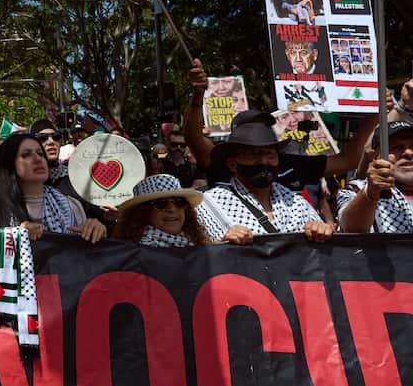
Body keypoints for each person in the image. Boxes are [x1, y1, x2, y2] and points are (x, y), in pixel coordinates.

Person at [184, 58, 377, 186]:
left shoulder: (289, 164)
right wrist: (198, 96)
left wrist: (374, 115)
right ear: (233, 160)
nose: (263, 160)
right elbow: (193, 138)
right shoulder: (221, 166)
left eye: (267, 151)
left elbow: (348, 160)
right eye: (252, 152)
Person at [197, 119, 333, 243]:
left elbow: (320, 245)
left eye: (269, 154)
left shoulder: (295, 202)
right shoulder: (211, 203)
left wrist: (320, 229)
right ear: (233, 164)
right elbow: (198, 252)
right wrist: (221, 244)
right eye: (253, 154)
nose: (263, 161)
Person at [0, 133, 107, 243]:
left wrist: (96, 233)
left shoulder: (72, 206)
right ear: (10, 165)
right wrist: (15, 237)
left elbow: (85, 257)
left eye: (40, 153)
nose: (38, 159)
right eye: (26, 155)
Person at [336, 120, 413, 233]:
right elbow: (350, 228)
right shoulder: (357, 189)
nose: (409, 153)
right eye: (397, 147)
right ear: (375, 156)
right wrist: (371, 193)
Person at [111, 175, 212, 247]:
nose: (172, 209)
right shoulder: (132, 255)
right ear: (143, 212)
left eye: (179, 202)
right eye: (161, 203)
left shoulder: (196, 243)